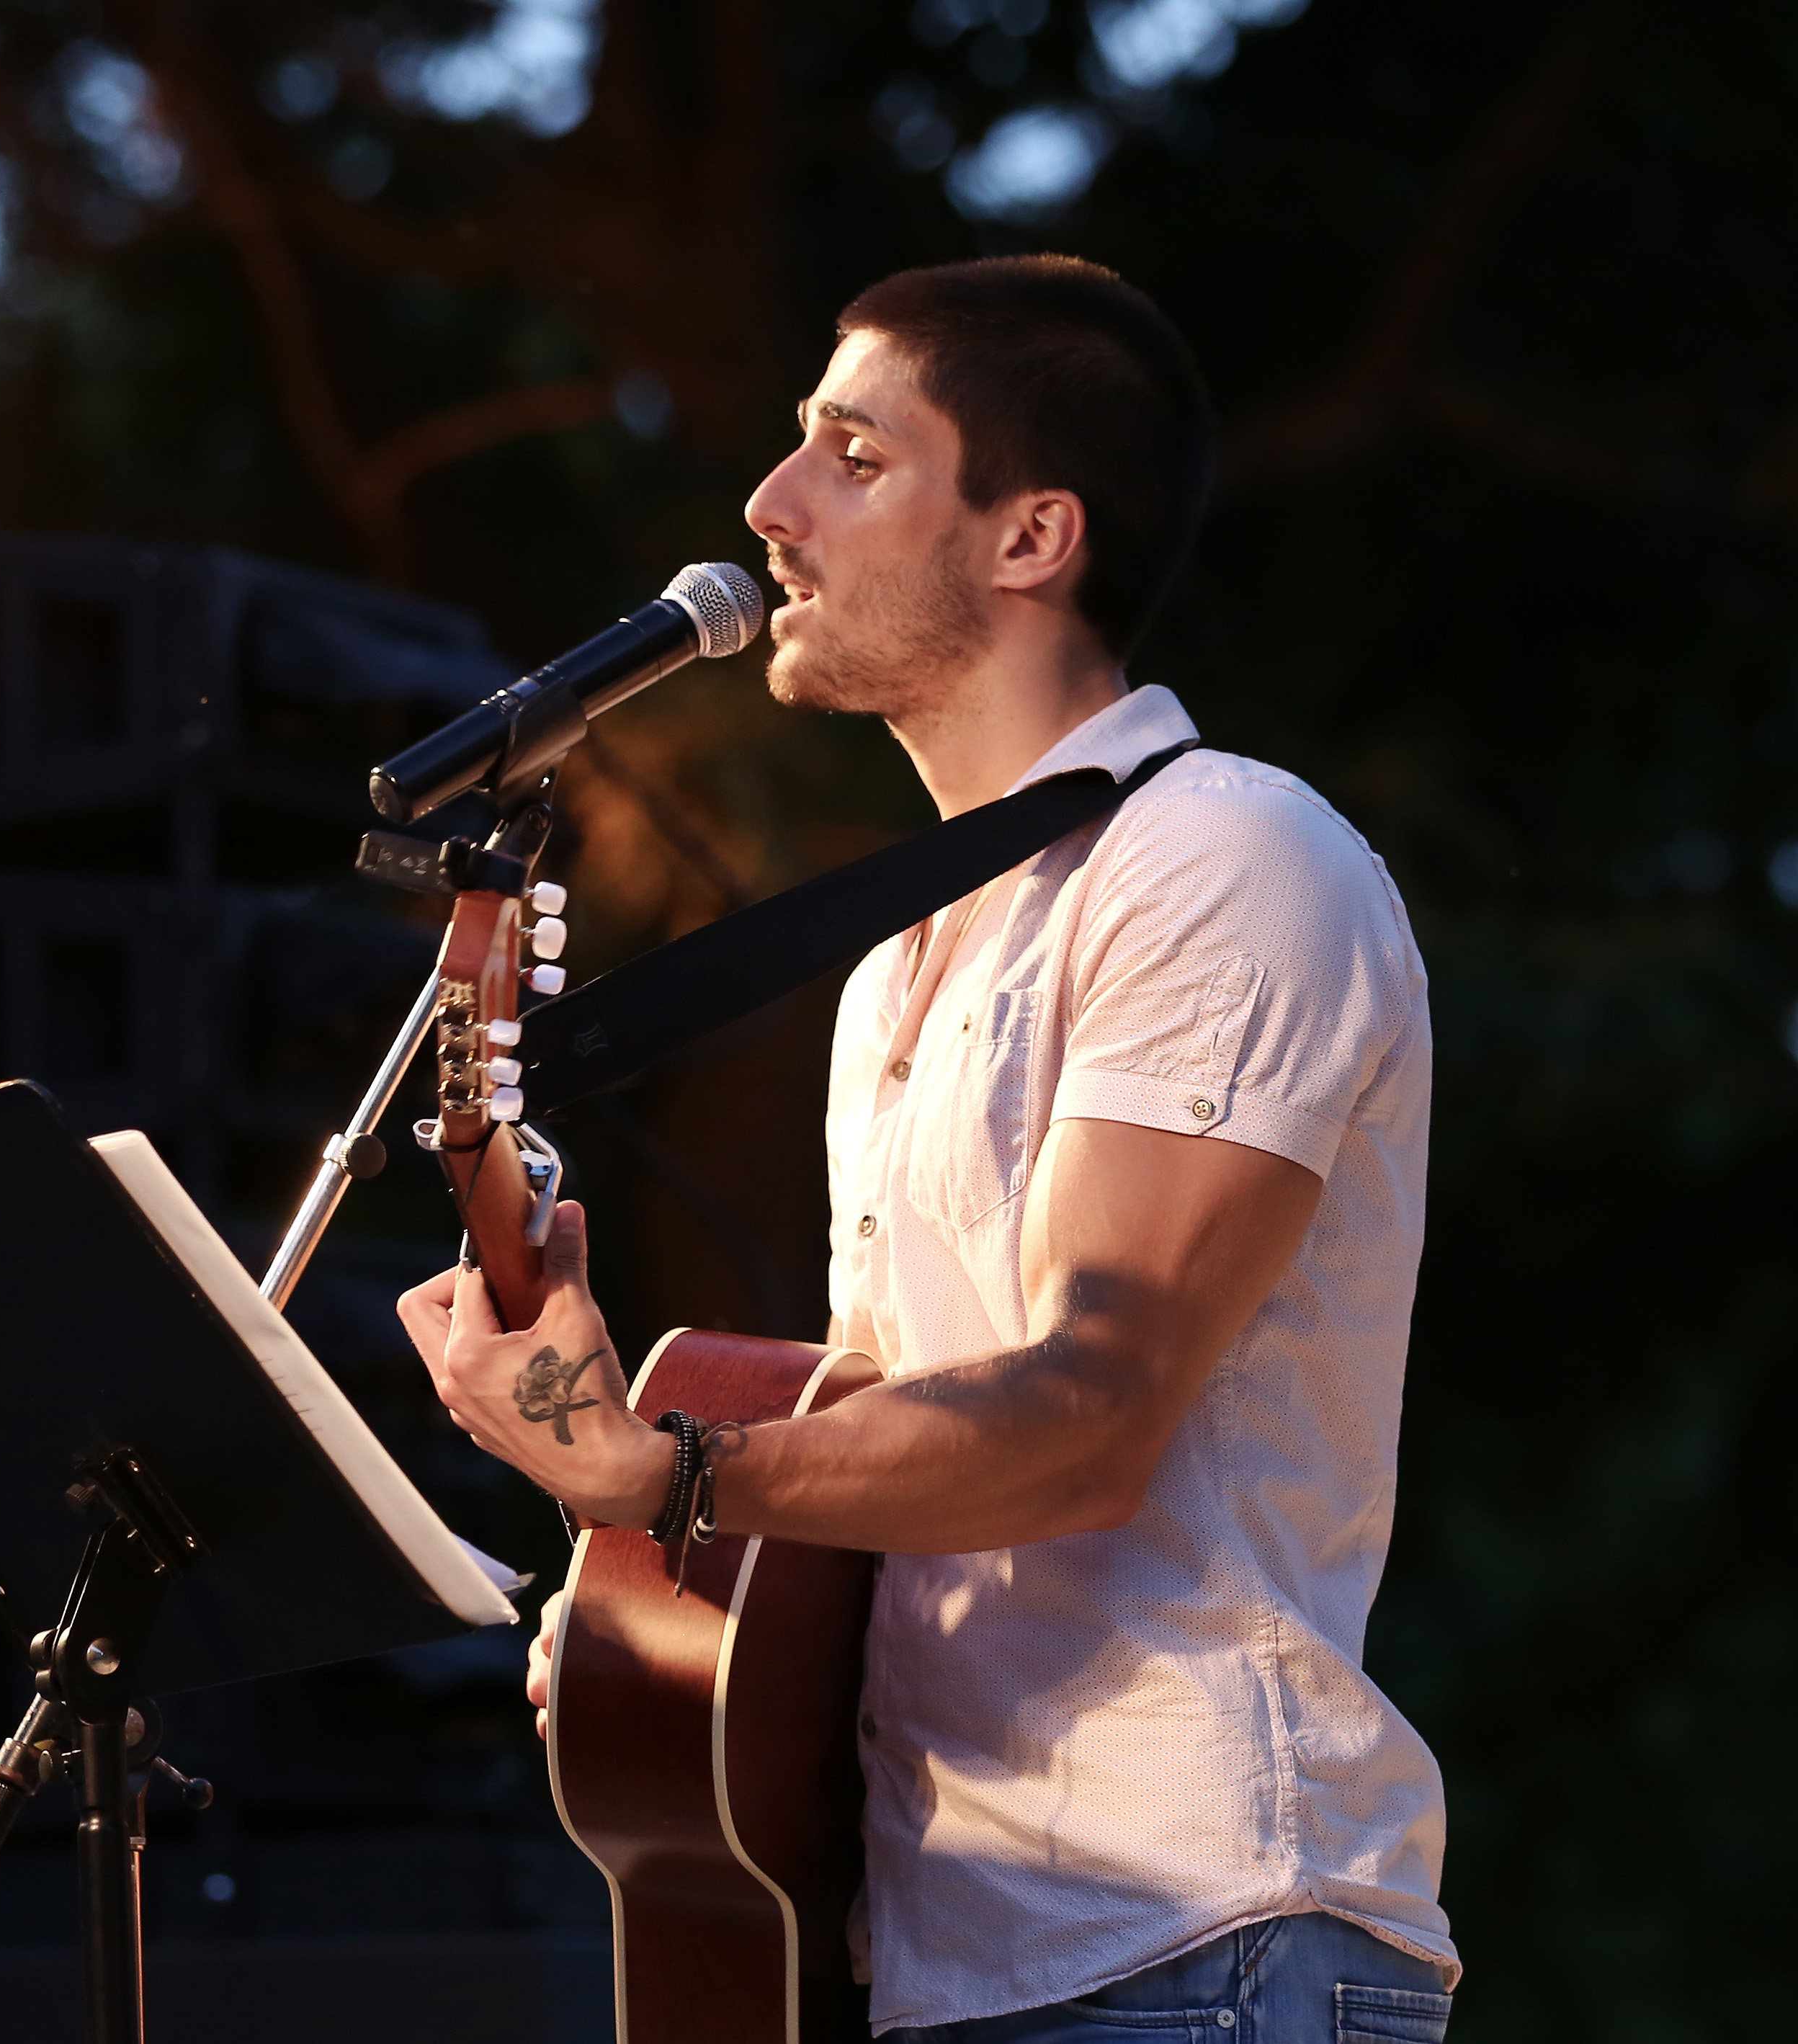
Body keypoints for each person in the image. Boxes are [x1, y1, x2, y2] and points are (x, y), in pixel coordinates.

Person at [395, 254, 1458, 2043]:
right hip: (941, 1947)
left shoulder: (1220, 858)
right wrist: (658, 1622)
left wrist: (665, 1479)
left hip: (1202, 1935)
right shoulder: (907, 954)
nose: (767, 506)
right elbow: (886, 1443)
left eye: (853, 454)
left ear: (1031, 535)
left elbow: (1085, 1414)